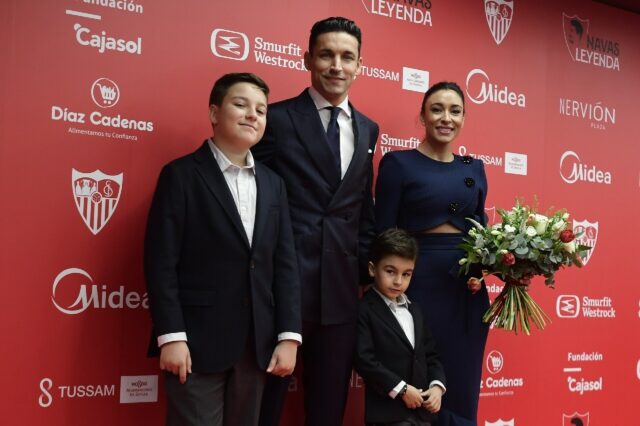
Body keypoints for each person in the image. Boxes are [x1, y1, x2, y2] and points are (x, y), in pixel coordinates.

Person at [144, 73, 301, 426]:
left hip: (257, 346)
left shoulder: (274, 185)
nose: (253, 115)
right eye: (241, 105)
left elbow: (285, 264)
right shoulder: (181, 175)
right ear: (214, 113)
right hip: (195, 343)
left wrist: (289, 336)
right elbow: (161, 262)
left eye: (261, 110)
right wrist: (171, 336)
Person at [252, 16, 379, 426]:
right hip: (280, 289)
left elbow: (363, 208)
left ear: (360, 64)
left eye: (347, 57)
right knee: (262, 407)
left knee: (328, 410)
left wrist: (365, 273)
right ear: (308, 58)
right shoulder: (277, 119)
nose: (336, 66)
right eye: (326, 54)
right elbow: (255, 202)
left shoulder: (368, 129)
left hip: (340, 292)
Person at [374, 82, 489, 426]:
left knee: (462, 383)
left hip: (466, 289)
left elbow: (482, 230)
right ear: (422, 116)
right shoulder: (398, 164)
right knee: (418, 384)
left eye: (455, 111)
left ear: (464, 118)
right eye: (436, 109)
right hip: (416, 284)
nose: (445, 118)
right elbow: (384, 232)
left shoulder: (474, 168)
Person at [355, 228, 446, 426]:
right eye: (390, 271)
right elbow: (364, 360)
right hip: (387, 414)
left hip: (422, 413)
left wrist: (437, 387)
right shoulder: (364, 309)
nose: (398, 281)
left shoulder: (415, 310)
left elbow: (431, 355)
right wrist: (402, 389)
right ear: (372, 269)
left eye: (406, 274)